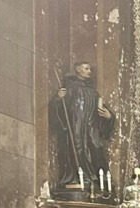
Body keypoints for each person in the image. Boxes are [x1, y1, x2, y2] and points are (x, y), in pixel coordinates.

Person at [49, 62, 115, 190]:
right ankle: (76, 177)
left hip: (91, 127)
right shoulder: (69, 88)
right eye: (86, 68)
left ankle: (93, 177)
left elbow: (101, 109)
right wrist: (57, 99)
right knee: (76, 148)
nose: (89, 71)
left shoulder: (93, 93)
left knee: (95, 147)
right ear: (78, 70)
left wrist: (109, 117)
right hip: (75, 127)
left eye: (90, 68)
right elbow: (57, 109)